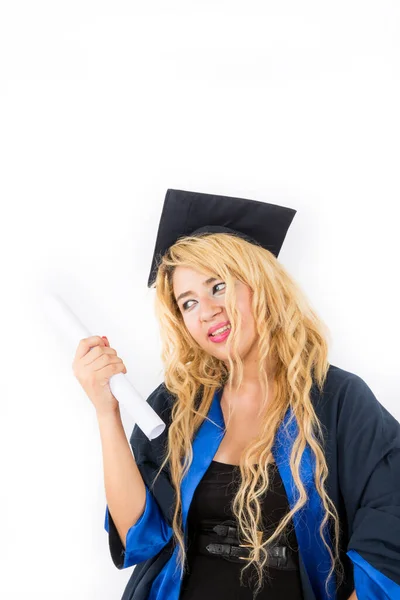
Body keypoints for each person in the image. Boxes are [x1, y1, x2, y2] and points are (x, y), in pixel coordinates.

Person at [74, 189, 400, 599]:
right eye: (188, 302)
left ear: (261, 285)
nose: (206, 310)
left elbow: (390, 521)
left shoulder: (339, 401)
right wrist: (107, 412)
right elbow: (139, 538)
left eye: (218, 286)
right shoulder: (178, 404)